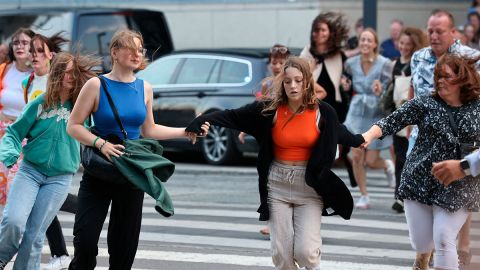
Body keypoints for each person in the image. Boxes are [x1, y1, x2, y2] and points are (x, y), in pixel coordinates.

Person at [186, 56, 364, 270]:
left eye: (298, 80)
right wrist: (202, 120)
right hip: (277, 184)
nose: (293, 86)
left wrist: (360, 139)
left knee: (306, 253)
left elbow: (340, 132)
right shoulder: (270, 110)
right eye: (288, 81)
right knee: (282, 257)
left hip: (309, 187)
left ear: (307, 82)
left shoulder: (322, 112)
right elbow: (233, 115)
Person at [66, 29, 209, 270]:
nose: (137, 53)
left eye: (140, 49)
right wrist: (101, 144)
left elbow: (149, 130)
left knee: (124, 248)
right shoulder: (96, 85)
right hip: (100, 171)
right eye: (130, 48)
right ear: (115, 52)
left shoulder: (145, 88)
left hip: (131, 173)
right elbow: (73, 126)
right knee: (86, 241)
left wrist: (186, 131)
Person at [362, 53, 480, 270]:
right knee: (423, 242)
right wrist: (367, 136)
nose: (440, 81)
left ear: (462, 79)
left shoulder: (477, 108)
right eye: (438, 76)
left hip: (460, 185)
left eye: (446, 76)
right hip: (420, 181)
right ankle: (422, 256)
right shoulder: (425, 104)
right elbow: (392, 121)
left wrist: (466, 166)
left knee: (444, 238)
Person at [0, 51, 99, 270]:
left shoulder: (81, 107)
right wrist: (10, 155)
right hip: (30, 172)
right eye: (64, 72)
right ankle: (2, 256)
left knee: (35, 235)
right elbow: (14, 133)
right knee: (13, 221)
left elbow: (94, 132)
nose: (69, 76)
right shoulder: (40, 103)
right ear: (56, 74)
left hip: (59, 178)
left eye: (73, 72)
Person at [409, 10, 480, 267]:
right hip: (422, 138)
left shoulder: (471, 58)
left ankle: (458, 245)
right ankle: (424, 254)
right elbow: (413, 90)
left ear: (453, 33)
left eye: (440, 31)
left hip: (458, 138)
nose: (434, 35)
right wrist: (409, 128)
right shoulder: (418, 56)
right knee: (421, 194)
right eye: (430, 30)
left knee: (455, 192)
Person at [21, 32, 76, 270]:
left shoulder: (60, 83)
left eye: (39, 51)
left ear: (51, 55)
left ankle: (87, 206)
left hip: (59, 156)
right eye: (31, 51)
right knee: (35, 205)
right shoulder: (28, 82)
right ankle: (59, 252)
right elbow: (28, 116)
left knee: (41, 202)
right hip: (30, 148)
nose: (34, 55)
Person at [300, 11, 357, 188]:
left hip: (336, 103)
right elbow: (300, 75)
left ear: (330, 32)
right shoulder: (307, 52)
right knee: (320, 141)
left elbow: (348, 76)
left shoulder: (338, 54)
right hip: (315, 102)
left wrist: (346, 82)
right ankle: (320, 177)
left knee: (338, 141)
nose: (320, 34)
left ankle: (347, 173)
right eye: (316, 31)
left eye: (323, 30)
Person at [240, 44, 291, 236]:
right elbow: (258, 110)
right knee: (268, 179)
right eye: (274, 62)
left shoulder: (290, 82)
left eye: (281, 62)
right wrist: (246, 129)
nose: (276, 66)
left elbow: (320, 93)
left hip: (285, 136)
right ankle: (271, 221)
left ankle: (291, 219)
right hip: (268, 136)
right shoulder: (266, 84)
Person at [343, 28, 394, 209]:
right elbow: (346, 82)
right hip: (356, 111)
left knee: (371, 162)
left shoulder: (385, 63)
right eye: (362, 40)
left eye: (368, 40)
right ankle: (364, 195)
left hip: (375, 111)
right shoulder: (350, 63)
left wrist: (381, 89)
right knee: (357, 156)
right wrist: (346, 85)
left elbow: (389, 90)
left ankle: (387, 165)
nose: (365, 43)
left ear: (375, 44)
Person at [387, 27, 428, 213]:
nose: (403, 47)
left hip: (412, 114)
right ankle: (399, 194)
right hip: (398, 112)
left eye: (407, 44)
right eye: (401, 43)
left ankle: (406, 195)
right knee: (399, 156)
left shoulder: (416, 63)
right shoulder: (395, 63)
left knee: (407, 157)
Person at [0, 28, 34, 207]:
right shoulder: (4, 70)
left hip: (25, 137)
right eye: (16, 42)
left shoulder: (37, 74)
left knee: (16, 190)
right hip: (3, 135)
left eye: (25, 42)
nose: (19, 46)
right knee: (3, 191)